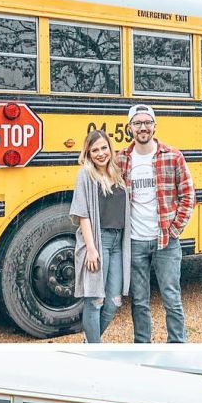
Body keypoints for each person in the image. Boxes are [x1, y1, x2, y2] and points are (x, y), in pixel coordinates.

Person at [117, 104, 195, 344]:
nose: (143, 128)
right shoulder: (121, 159)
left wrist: (174, 229)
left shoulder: (172, 156)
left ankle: (178, 345)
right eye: (138, 123)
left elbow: (188, 194)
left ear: (154, 126)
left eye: (147, 122)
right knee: (139, 301)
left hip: (165, 241)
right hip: (135, 242)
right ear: (129, 127)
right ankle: (142, 347)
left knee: (171, 297)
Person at [70, 128, 131, 343]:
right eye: (95, 150)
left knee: (114, 301)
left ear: (110, 149)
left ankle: (89, 342)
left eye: (104, 148)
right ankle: (95, 348)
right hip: (99, 241)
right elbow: (82, 213)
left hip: (118, 243)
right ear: (88, 153)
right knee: (95, 300)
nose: (100, 153)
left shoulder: (117, 172)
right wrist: (91, 248)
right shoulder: (86, 174)